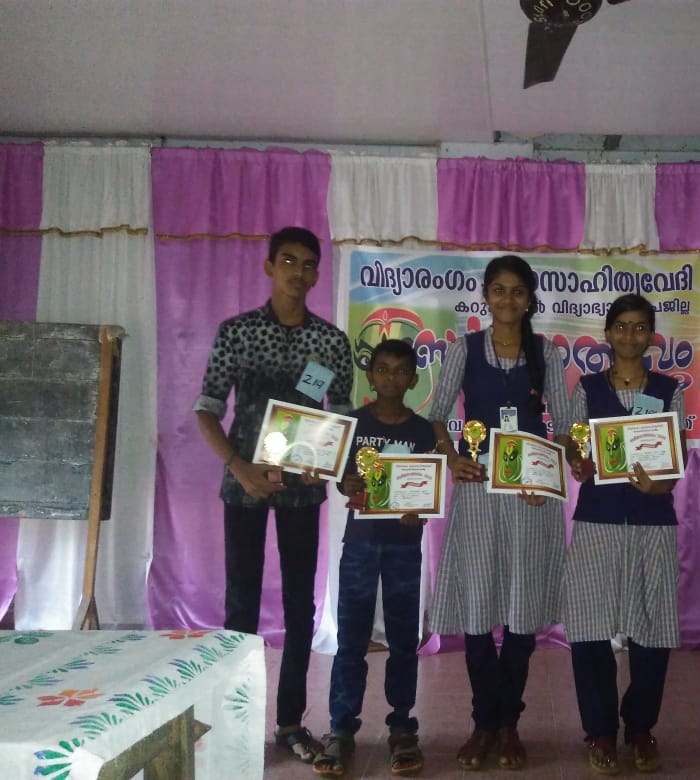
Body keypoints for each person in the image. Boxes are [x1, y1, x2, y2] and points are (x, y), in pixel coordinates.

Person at [194, 226, 353, 764]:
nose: (298, 272)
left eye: (308, 264)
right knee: (240, 604)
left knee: (300, 607)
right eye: (288, 261)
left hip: (301, 494)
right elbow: (207, 409)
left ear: (316, 274)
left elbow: (340, 417)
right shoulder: (238, 332)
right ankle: (234, 724)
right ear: (269, 267)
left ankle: (289, 723)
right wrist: (238, 467)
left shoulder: (329, 342)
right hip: (245, 484)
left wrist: (322, 467)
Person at [427, 254, 573, 771]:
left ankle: (507, 722)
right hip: (478, 493)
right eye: (499, 290)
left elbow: (567, 425)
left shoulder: (545, 352)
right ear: (486, 296)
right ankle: (483, 722)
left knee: (521, 611)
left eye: (518, 291)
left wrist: (550, 474)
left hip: (531, 497)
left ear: (530, 299)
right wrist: (452, 457)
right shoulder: (463, 350)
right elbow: (437, 415)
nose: (508, 299)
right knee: (476, 609)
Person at [563, 293, 687, 775]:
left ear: (651, 335)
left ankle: (640, 728)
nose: (630, 335)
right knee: (590, 629)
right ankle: (599, 730)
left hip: (652, 521)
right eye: (621, 326)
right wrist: (578, 461)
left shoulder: (669, 389)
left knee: (652, 629)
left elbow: (676, 455)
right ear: (608, 334)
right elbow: (575, 446)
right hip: (598, 520)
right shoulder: (588, 388)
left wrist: (662, 484)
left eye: (639, 327)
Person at [313, 339, 434, 777]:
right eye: (383, 369)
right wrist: (346, 484)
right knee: (351, 638)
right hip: (360, 543)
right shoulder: (353, 424)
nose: (391, 378)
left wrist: (419, 509)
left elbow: (427, 486)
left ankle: (402, 727)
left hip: (404, 545)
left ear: (413, 380)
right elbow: (342, 478)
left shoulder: (424, 431)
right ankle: (340, 729)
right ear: (370, 376)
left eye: (401, 371)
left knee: (403, 640)